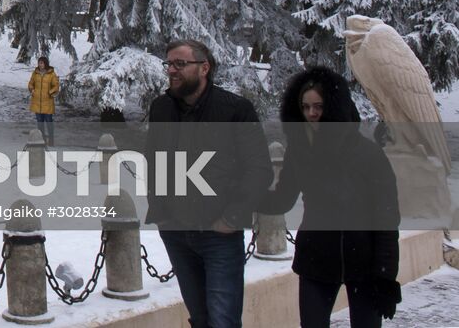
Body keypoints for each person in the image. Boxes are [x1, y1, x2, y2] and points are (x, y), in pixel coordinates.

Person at [258, 67, 401, 328]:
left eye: (319, 106)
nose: (312, 114)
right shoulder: (299, 150)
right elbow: (282, 199)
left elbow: (387, 216)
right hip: (316, 259)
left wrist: (386, 276)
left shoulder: (368, 154)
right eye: (305, 107)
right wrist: (246, 195)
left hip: (364, 262)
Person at [145, 39, 272, 328]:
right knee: (200, 319)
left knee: (223, 320)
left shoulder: (235, 110)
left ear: (204, 67)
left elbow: (259, 170)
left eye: (180, 64)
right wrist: (162, 212)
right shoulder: (161, 108)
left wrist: (232, 217)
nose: (172, 70)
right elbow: (154, 162)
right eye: (169, 64)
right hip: (177, 232)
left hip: (219, 234)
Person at [27, 56, 59, 146]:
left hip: (47, 102)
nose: (40, 65)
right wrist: (32, 89)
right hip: (37, 102)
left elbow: (56, 86)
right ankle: (42, 139)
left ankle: (51, 140)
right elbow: (30, 83)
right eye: (39, 63)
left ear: (45, 63)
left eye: (42, 63)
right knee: (40, 123)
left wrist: (50, 92)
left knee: (49, 122)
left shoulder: (51, 74)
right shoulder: (35, 73)